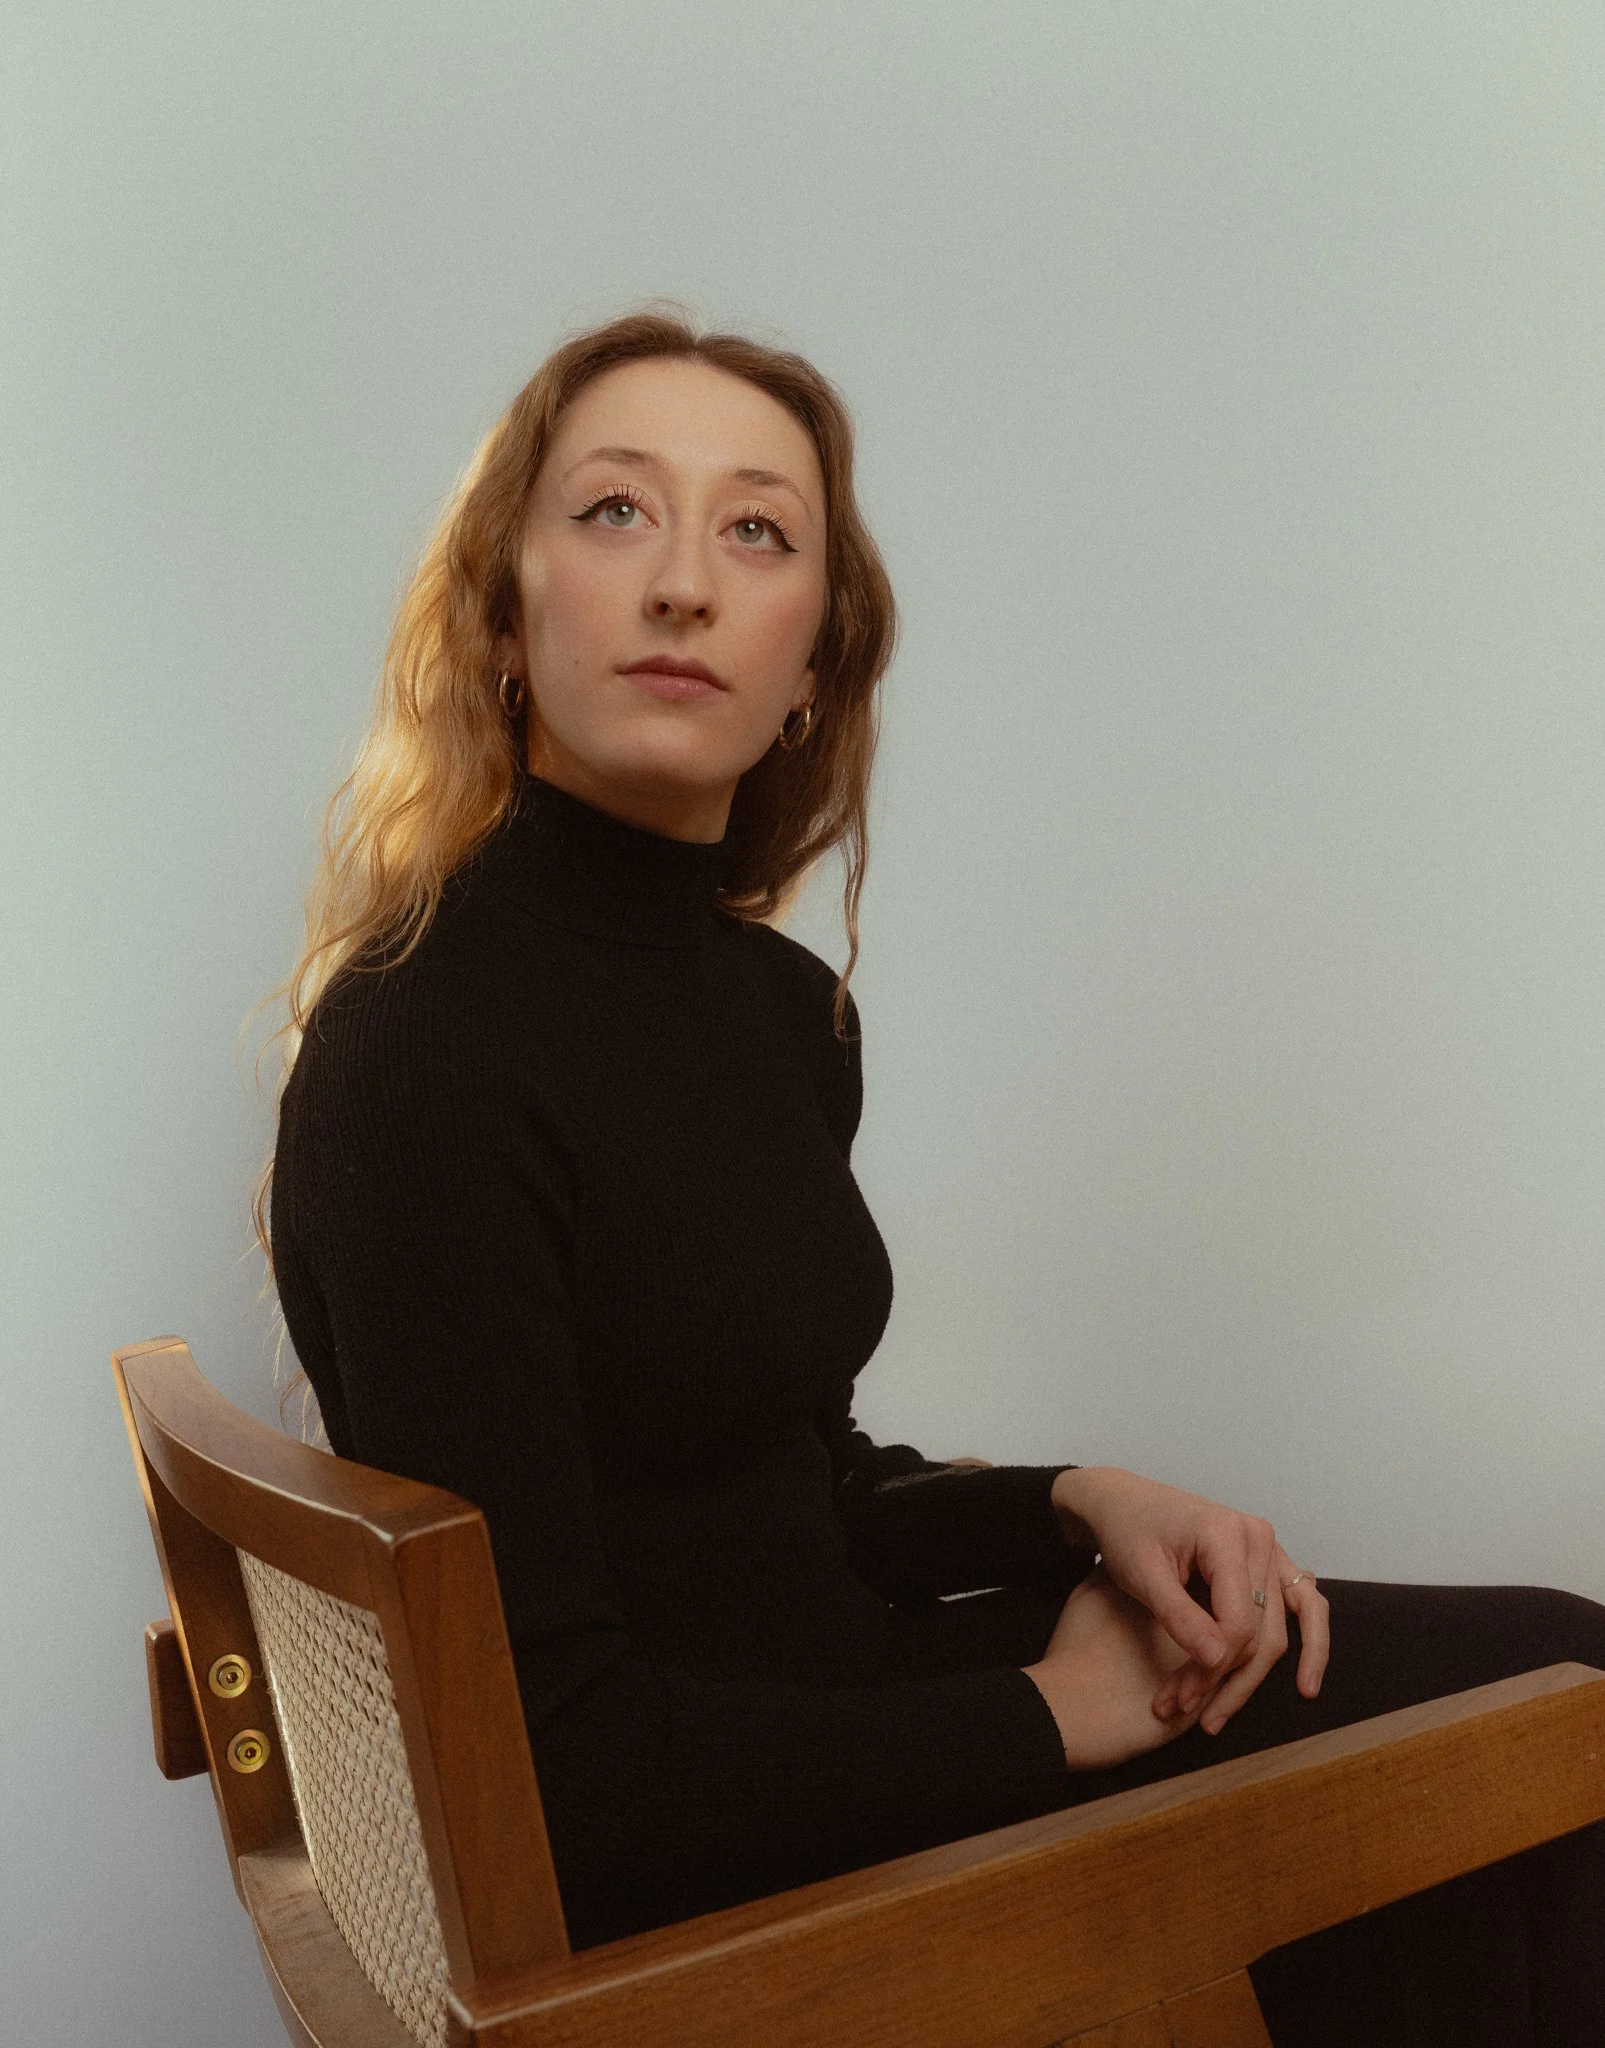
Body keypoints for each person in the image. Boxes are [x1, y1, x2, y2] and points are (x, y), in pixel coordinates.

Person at [259, 307, 1605, 2044]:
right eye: (613, 511)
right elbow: (566, 1773)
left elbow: (776, 1487)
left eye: (756, 530)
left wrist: (1072, 1499)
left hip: (845, 1726)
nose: (683, 582)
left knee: (1557, 1684)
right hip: (724, 1868)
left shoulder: (773, 1011)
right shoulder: (424, 1049)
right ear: (503, 618)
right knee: (1556, 1728)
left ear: (814, 658)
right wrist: (1048, 1717)